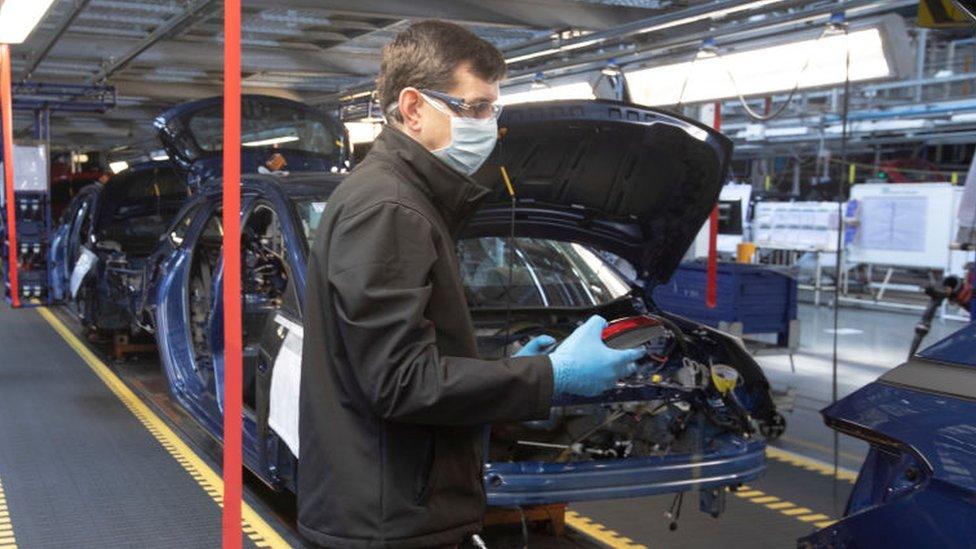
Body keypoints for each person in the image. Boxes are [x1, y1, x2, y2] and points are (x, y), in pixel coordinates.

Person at [299, 20, 644, 548]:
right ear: (413, 108)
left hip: (393, 503)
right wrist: (549, 375)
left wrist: (500, 371)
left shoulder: (401, 196)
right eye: (475, 108)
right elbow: (400, 383)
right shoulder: (389, 208)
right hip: (391, 519)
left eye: (493, 109)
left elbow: (404, 355)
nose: (489, 124)